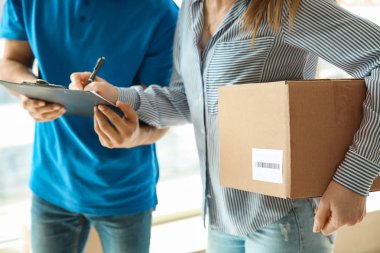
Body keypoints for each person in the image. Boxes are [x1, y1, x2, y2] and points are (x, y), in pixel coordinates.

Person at [71, 0, 380, 252]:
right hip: (221, 217)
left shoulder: (284, 7)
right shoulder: (191, 10)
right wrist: (117, 95)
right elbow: (189, 100)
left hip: (283, 219)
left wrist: (353, 177)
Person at [0, 0, 178, 252]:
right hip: (51, 179)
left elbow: (167, 110)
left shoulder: (161, 12)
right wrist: (29, 91)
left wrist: (134, 136)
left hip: (123, 188)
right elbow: (10, 61)